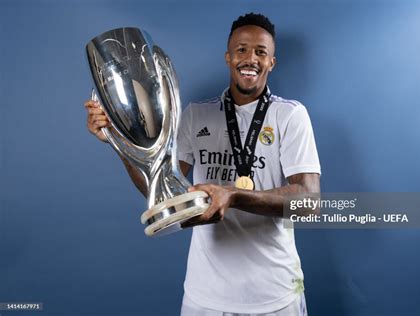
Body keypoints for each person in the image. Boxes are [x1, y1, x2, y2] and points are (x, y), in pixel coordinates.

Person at [85, 13, 321, 316]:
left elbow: (309, 202)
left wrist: (234, 195)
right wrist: (120, 142)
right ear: (228, 57)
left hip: (274, 296)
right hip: (205, 297)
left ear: (271, 62)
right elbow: (157, 188)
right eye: (242, 49)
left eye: (261, 52)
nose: (250, 58)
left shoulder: (290, 115)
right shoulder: (196, 114)